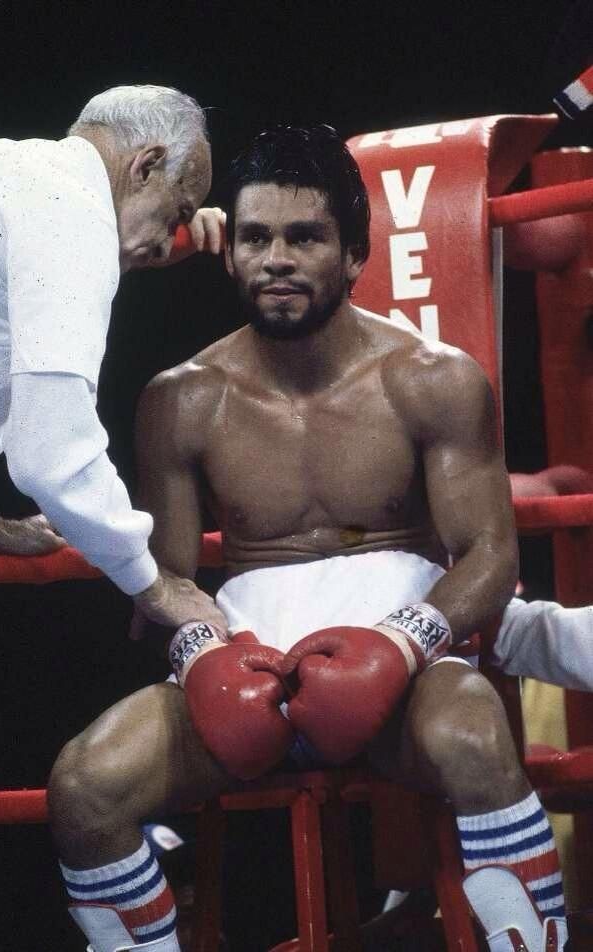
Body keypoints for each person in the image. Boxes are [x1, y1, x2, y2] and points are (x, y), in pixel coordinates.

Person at [47, 125, 567, 952]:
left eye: (304, 237)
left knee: (471, 732)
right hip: (246, 664)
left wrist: (397, 649)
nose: (275, 258)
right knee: (84, 783)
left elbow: (488, 555)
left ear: (354, 253)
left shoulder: (433, 379)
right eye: (254, 237)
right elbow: (170, 580)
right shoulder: (180, 400)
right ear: (230, 253)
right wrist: (203, 659)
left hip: (403, 671)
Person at [0, 84, 226, 631]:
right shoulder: (75, 212)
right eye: (176, 214)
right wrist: (151, 583)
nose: (169, 245)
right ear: (146, 166)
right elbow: (51, 452)